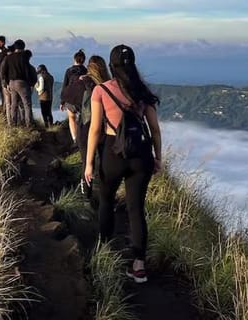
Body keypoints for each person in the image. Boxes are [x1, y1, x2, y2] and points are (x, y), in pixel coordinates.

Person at [84, 45, 162, 284]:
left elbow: (95, 130)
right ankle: (139, 266)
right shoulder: (142, 91)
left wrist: (88, 164)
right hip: (141, 154)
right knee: (136, 209)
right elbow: (155, 129)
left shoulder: (101, 91)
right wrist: (158, 157)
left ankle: (105, 253)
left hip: (112, 154)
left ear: (111, 66)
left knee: (106, 201)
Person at [76, 56, 111, 199]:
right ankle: (105, 195)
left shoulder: (82, 83)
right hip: (105, 130)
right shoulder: (109, 85)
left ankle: (86, 197)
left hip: (85, 128)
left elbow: (66, 96)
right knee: (104, 162)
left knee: (86, 163)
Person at [1, 39, 36, 128]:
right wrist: (31, 84)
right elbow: (27, 71)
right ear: (23, 47)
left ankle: (13, 125)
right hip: (22, 83)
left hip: (11, 83)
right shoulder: (24, 57)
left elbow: (3, 71)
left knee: (14, 105)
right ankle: (29, 125)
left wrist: (6, 84)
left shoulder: (8, 57)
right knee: (27, 104)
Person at [60, 49, 88, 142]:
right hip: (82, 99)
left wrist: (62, 101)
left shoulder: (69, 71)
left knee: (71, 118)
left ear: (74, 59)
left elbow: (65, 85)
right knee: (82, 119)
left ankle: (75, 139)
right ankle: (83, 137)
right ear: (83, 60)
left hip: (69, 98)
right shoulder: (86, 71)